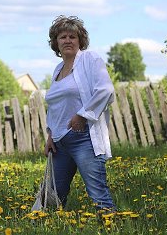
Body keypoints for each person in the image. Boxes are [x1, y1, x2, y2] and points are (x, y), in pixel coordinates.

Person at [44, 15, 116, 214]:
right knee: (54, 195)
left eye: (72, 37)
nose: (67, 40)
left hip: (84, 138)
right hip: (59, 142)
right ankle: (53, 227)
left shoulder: (90, 60)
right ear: (56, 43)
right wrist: (50, 134)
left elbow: (106, 90)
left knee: (98, 193)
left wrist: (82, 115)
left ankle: (111, 225)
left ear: (80, 40)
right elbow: (55, 106)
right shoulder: (58, 70)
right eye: (62, 37)